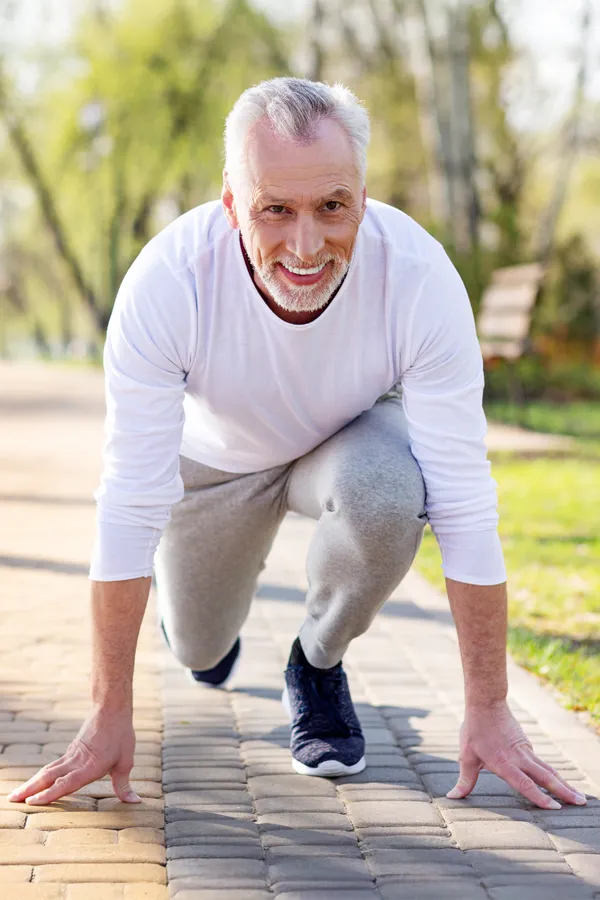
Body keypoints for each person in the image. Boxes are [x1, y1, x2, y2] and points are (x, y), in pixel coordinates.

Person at [10, 78, 586, 811]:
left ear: (364, 198)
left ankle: (315, 665)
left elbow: (465, 498)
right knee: (197, 650)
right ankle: (204, 634)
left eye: (332, 207)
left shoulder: (416, 277)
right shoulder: (168, 281)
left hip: (341, 445)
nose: (305, 245)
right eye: (274, 210)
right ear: (230, 204)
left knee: (390, 489)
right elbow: (130, 497)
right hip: (216, 469)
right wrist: (108, 711)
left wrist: (491, 707)